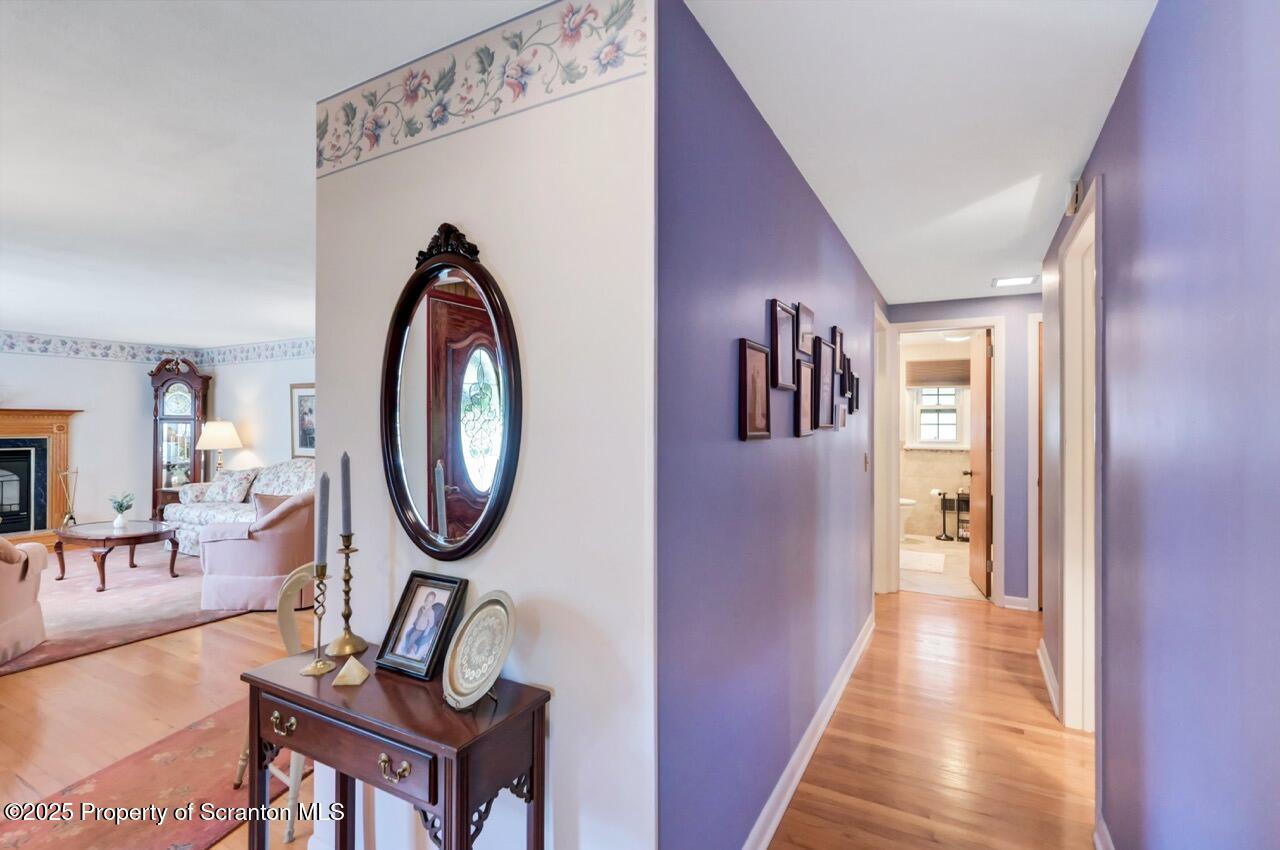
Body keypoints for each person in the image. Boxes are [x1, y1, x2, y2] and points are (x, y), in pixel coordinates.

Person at [399, 590, 447, 659]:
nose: (428, 603)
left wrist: (427, 630)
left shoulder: (431, 612)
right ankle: (406, 645)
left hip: (421, 630)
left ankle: (407, 650)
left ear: (432, 602)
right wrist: (415, 622)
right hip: (415, 626)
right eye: (427, 600)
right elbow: (418, 616)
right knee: (407, 634)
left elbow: (431, 623)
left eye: (430, 602)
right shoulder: (421, 608)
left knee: (412, 637)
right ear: (425, 600)